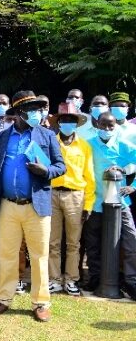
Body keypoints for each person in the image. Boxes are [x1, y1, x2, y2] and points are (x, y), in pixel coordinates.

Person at [0, 90, 66, 322]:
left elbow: (61, 166)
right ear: (19, 113)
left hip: (36, 204)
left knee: (39, 255)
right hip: (7, 205)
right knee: (7, 254)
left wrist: (45, 171)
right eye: (31, 110)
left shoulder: (47, 135)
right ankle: (3, 299)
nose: (37, 114)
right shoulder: (0, 139)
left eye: (38, 109)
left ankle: (40, 302)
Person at [82, 112, 136, 296]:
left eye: (110, 126)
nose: (106, 129)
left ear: (116, 126)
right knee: (93, 243)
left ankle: (131, 281)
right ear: (97, 124)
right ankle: (95, 277)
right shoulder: (88, 144)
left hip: (120, 202)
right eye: (103, 125)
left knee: (131, 240)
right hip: (95, 201)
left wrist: (133, 186)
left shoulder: (124, 146)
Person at [46, 103, 94, 296]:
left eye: (71, 121)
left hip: (76, 196)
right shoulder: (51, 142)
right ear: (58, 123)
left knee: (74, 243)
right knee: (53, 242)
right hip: (53, 194)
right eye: (64, 120)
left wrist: (88, 204)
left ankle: (71, 279)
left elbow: (89, 176)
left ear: (76, 123)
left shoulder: (84, 146)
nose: (67, 123)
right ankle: (54, 279)